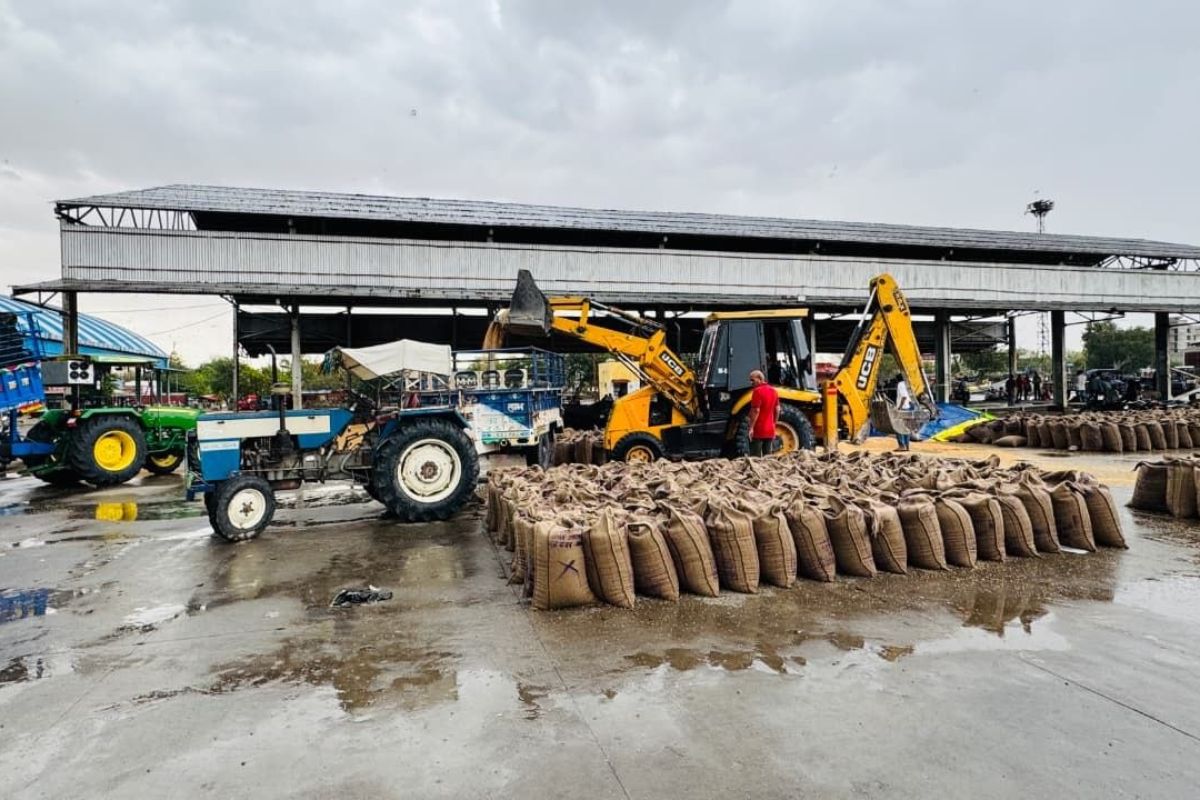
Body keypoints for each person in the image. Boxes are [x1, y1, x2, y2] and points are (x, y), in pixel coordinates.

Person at [746, 370, 780, 456]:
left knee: (755, 458)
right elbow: (778, 409)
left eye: (752, 380)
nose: (751, 383)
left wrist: (751, 428)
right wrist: (774, 424)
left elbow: (756, 410)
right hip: (770, 430)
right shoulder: (774, 391)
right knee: (768, 458)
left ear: (760, 379)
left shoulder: (757, 391)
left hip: (758, 430)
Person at [894, 373, 912, 451]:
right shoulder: (907, 384)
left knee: (898, 427)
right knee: (906, 428)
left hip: (903, 409)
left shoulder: (900, 384)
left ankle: (902, 446)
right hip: (907, 408)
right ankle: (907, 446)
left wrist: (899, 408)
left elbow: (904, 397)